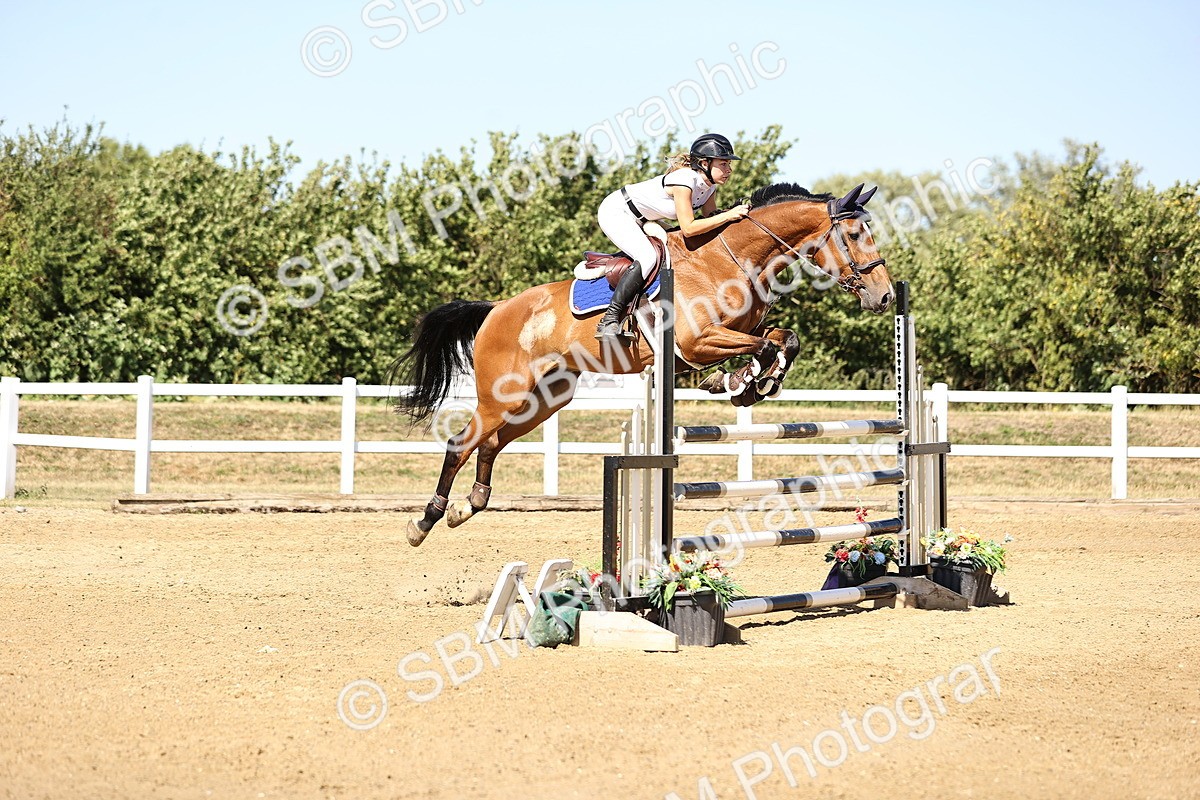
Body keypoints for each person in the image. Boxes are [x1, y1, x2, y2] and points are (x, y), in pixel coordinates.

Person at [593, 132, 750, 342]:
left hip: (646, 219)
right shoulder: (685, 180)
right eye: (723, 163)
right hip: (618, 211)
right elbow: (689, 228)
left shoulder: (709, 187)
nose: (729, 170)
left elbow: (711, 221)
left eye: (728, 164)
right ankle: (609, 319)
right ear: (704, 162)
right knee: (648, 257)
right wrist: (729, 215)